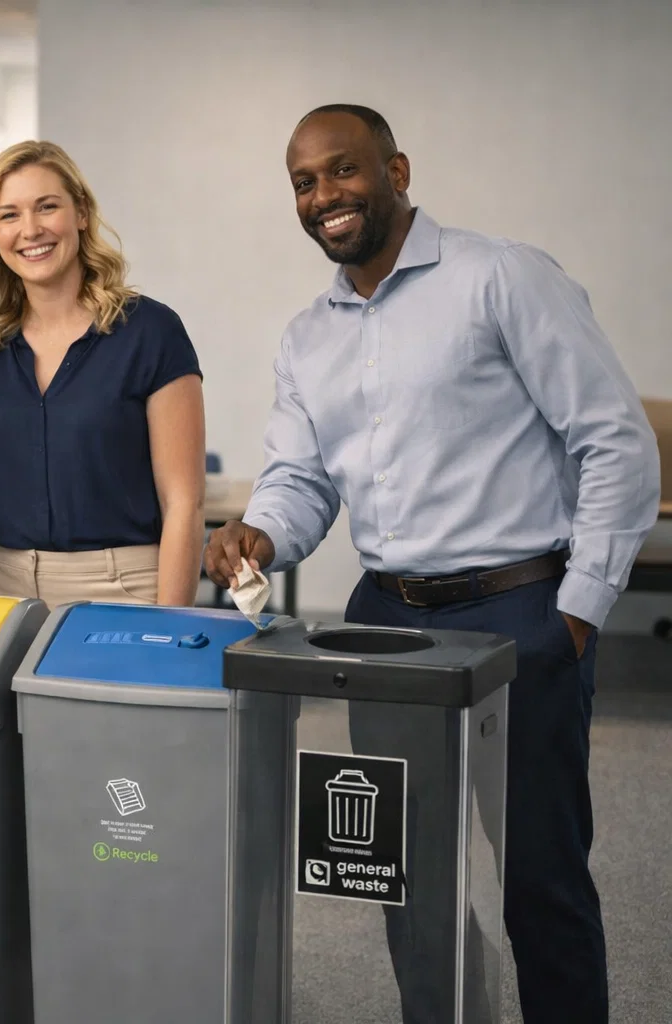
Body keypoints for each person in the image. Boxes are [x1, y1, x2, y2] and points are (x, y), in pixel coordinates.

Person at [205, 104, 660, 1024]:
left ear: (398, 171)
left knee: (539, 874)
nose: (324, 195)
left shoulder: (501, 277)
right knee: (401, 876)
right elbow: (301, 481)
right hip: (385, 627)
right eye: (303, 182)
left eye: (343, 169)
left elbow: (616, 441)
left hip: (521, 614)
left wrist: (579, 610)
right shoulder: (308, 336)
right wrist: (260, 533)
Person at [0, 140, 206, 606]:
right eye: (9, 215)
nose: (30, 229)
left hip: (122, 589)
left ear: (82, 214)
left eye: (47, 207)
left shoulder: (151, 332)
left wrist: (171, 627)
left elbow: (184, 504)